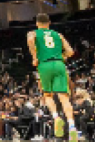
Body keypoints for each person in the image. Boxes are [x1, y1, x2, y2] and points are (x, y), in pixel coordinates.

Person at [27, 13, 78, 141]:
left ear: (37, 23)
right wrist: (62, 57)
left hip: (45, 64)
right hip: (60, 64)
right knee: (64, 98)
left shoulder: (33, 33)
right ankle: (72, 126)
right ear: (49, 23)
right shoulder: (58, 34)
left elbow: (30, 40)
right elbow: (71, 51)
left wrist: (34, 56)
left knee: (48, 95)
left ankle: (56, 118)